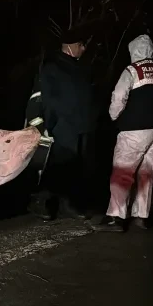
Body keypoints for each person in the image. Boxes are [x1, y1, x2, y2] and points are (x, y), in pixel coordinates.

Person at [93, 34, 153, 232]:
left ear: (133, 51)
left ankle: (115, 217)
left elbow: (118, 97)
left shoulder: (132, 70)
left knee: (123, 171)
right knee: (147, 172)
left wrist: (115, 117)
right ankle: (141, 216)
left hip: (133, 130)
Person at [25, 30, 97, 220]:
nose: (84, 48)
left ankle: (68, 205)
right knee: (58, 167)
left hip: (81, 125)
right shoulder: (53, 67)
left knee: (75, 168)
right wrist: (50, 124)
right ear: (70, 46)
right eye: (81, 45)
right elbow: (48, 99)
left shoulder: (79, 67)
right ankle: (39, 201)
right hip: (63, 126)